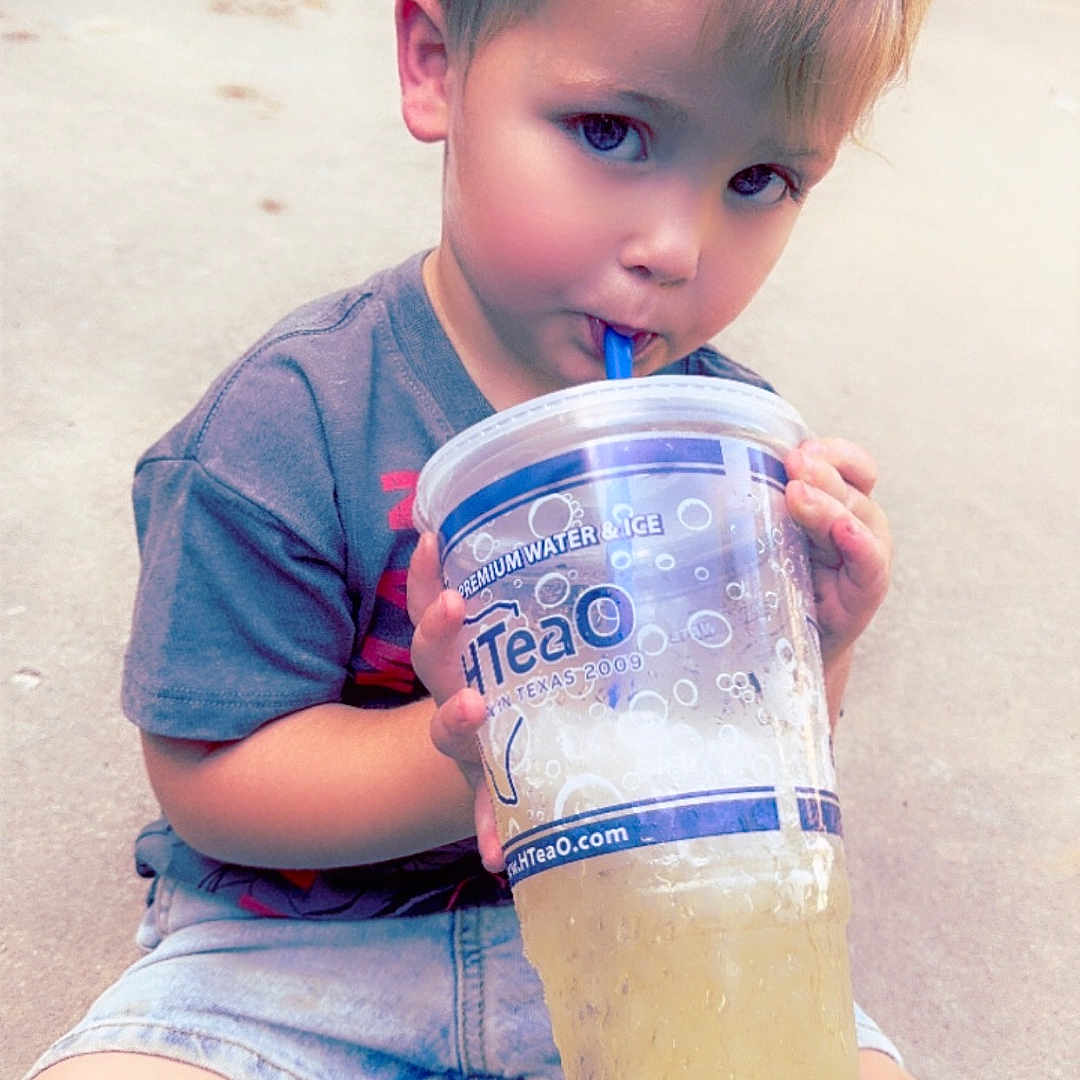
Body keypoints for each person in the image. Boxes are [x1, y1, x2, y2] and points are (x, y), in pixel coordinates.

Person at [26, 1, 929, 1078]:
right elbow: (207, 780)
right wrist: (477, 753)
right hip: (296, 954)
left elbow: (755, 768)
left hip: (644, 922)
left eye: (760, 180)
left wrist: (813, 648)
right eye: (610, 132)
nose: (676, 250)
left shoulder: (714, 457)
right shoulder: (289, 427)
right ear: (434, 64)